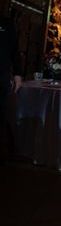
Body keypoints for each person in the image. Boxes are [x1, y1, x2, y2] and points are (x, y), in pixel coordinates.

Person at [0, 15, 22, 163]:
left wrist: (18, 74)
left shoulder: (6, 22)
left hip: (1, 76)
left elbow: (15, 50)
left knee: (1, 114)